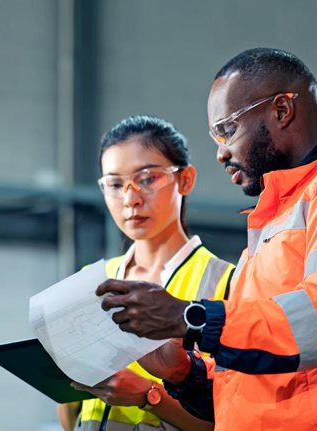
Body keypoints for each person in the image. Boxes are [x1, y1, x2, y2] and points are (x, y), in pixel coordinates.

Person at [96, 48, 317, 431]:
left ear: (280, 111)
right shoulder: (274, 222)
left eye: (227, 130)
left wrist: (189, 318)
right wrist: (182, 371)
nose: (221, 153)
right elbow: (253, 380)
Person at [57, 116, 233, 431]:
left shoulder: (226, 282)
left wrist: (149, 397)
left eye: (148, 178)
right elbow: (70, 414)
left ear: (186, 180)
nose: (130, 199)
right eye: (114, 184)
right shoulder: (87, 280)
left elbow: (230, 419)